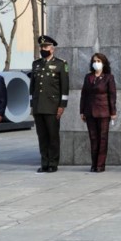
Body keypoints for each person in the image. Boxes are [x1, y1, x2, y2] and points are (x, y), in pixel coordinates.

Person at [30, 35, 70, 173]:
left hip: (52, 106)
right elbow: (33, 87)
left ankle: (53, 163)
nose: (43, 49)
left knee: (53, 136)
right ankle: (44, 162)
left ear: (52, 49)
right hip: (38, 106)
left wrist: (62, 105)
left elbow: (64, 87)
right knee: (42, 137)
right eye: (41, 47)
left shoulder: (60, 64)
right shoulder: (36, 64)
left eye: (45, 47)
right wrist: (32, 105)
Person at [80, 53, 117, 172]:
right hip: (90, 111)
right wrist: (82, 111)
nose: (96, 63)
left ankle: (100, 165)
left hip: (103, 112)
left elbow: (112, 95)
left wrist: (113, 112)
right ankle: (94, 164)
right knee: (93, 138)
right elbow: (84, 94)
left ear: (103, 63)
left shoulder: (108, 77)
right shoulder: (88, 77)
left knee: (102, 139)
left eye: (99, 61)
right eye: (94, 61)